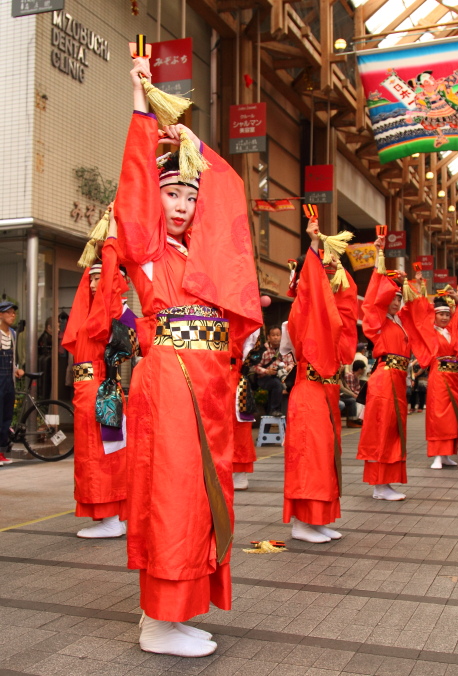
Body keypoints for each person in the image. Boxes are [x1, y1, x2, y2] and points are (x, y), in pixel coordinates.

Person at [113, 56, 261, 658]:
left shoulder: (203, 263)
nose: (181, 204)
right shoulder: (148, 253)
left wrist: (196, 144)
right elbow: (133, 197)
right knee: (174, 493)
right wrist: (145, 112)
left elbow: (230, 204)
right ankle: (156, 621)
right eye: (171, 191)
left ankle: (176, 614)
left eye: (190, 193)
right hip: (171, 384)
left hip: (205, 388)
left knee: (200, 495)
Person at [63, 211, 138, 539]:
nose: (93, 283)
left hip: (98, 390)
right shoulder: (93, 315)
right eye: (90, 278)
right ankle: (109, 517)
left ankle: (110, 518)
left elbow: (109, 283)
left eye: (99, 278)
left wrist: (112, 239)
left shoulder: (106, 315)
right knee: (98, 453)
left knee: (101, 454)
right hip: (90, 390)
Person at [283, 218, 357, 544]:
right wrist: (314, 245)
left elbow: (344, 311)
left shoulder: (325, 312)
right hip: (308, 390)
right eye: (322, 273)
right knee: (309, 456)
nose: (328, 279)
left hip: (325, 392)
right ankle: (301, 523)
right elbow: (313, 292)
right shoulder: (301, 310)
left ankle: (320, 518)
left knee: (326, 456)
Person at [357, 236, 411, 502]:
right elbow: (372, 301)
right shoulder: (378, 321)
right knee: (382, 428)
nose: (396, 301)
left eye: (399, 298)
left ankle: (387, 481)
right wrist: (379, 255)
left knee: (393, 429)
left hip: (398, 380)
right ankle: (379, 485)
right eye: (392, 297)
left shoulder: (399, 322)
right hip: (384, 379)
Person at [401, 288, 458, 469]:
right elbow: (420, 320)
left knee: (453, 416)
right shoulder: (431, 332)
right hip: (440, 378)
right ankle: (437, 455)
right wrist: (420, 288)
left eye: (447, 314)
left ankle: (446, 454)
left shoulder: (452, 332)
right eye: (441, 314)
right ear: (435, 316)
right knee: (439, 416)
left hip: (456, 379)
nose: (445, 318)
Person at [232, 329, 260, 491]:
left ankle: (239, 472)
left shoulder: (246, 321)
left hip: (235, 375)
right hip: (211, 372)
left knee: (240, 424)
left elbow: (254, 352)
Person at [0, 302, 24, 465]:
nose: (12, 315)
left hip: (9, 380)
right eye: (8, 313)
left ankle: (2, 452)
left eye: (14, 313)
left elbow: (12, 358)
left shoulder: (13, 334)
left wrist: (16, 369)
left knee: (7, 417)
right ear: (0, 315)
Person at [254, 325, 294, 416]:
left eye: (278, 335)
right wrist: (267, 371)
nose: (276, 337)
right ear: (268, 337)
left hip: (282, 377)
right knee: (276, 384)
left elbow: (292, 363)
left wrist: (287, 368)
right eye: (273, 335)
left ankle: (289, 414)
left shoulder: (286, 350)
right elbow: (255, 367)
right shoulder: (263, 350)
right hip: (265, 379)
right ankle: (274, 410)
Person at [38, 316, 53, 399]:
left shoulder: (49, 338)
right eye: (56, 327)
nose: (58, 330)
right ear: (49, 327)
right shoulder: (45, 338)